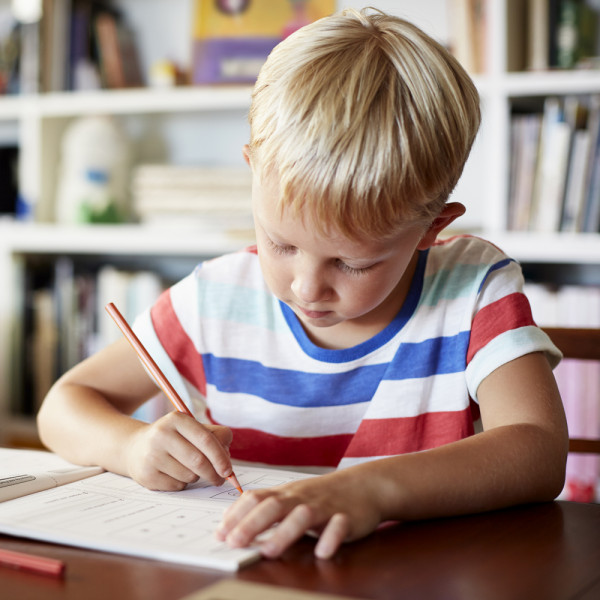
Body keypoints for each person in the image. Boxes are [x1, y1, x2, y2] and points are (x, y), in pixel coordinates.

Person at [38, 8, 568, 561]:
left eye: (352, 263)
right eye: (281, 243)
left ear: (432, 229)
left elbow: (537, 449)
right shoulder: (215, 299)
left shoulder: (473, 287)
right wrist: (132, 445)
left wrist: (373, 489)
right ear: (252, 172)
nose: (307, 286)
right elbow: (64, 406)